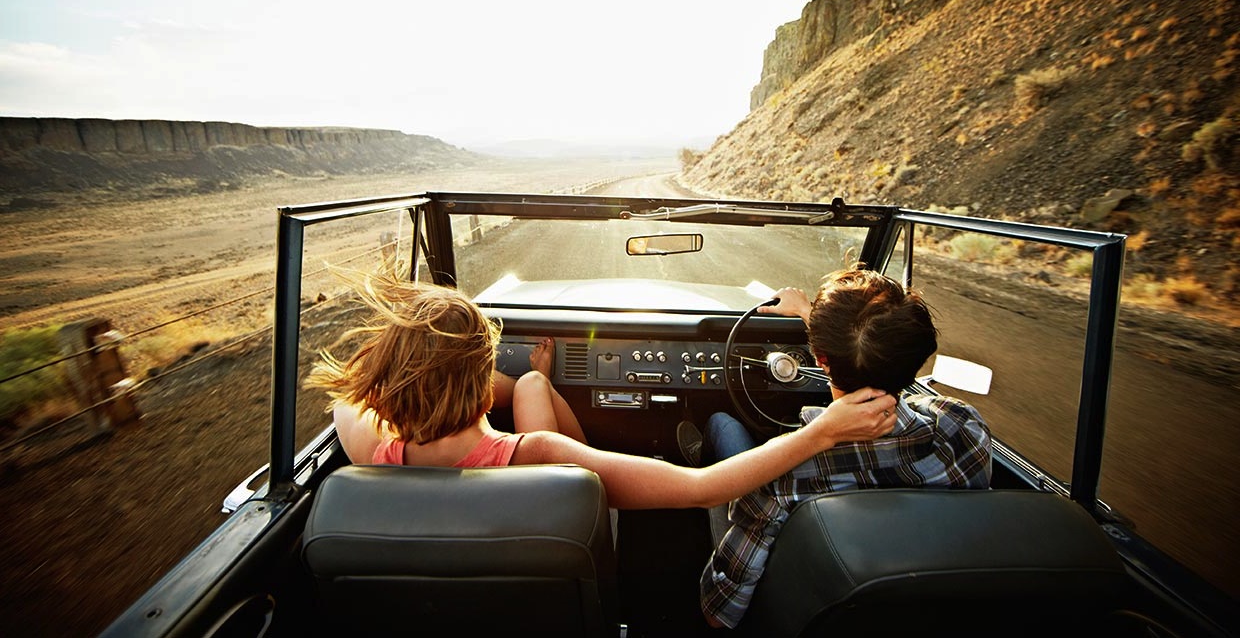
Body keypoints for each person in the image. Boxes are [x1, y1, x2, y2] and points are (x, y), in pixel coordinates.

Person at [309, 277, 900, 510]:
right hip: (565, 542)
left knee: (535, 384)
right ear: (481, 378)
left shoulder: (369, 448)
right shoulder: (544, 455)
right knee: (545, 396)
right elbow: (700, 489)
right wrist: (821, 428)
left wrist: (407, 373)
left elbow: (349, 400)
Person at [686, 266, 993, 629]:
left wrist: (815, 324)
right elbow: (877, 353)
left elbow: (718, 614)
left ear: (819, 360)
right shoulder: (963, 426)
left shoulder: (783, 477)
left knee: (723, 425)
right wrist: (811, 317)